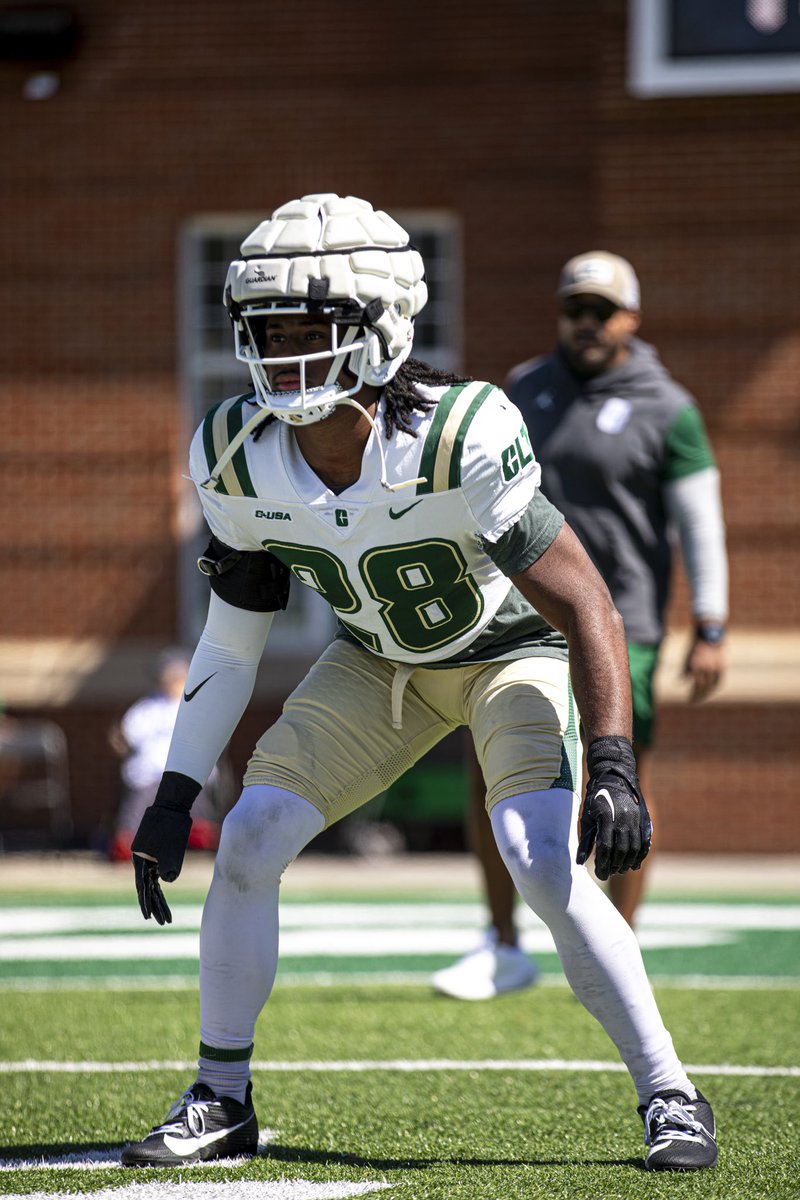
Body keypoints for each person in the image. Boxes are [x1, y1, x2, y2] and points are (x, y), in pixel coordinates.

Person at [121, 198, 718, 1173]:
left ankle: (668, 1093)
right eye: (269, 332)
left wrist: (611, 759)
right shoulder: (235, 451)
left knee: (535, 853)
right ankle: (220, 1096)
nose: (287, 354)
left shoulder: (457, 433)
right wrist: (174, 792)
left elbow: (589, 605)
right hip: (374, 661)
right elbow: (231, 643)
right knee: (249, 836)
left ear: (379, 330)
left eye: (312, 330)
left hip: (504, 653)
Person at [432, 250, 728, 1002]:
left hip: (621, 616)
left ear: (631, 318)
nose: (587, 324)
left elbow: (699, 521)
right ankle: (502, 942)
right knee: (488, 766)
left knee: (618, 776)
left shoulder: (670, 407)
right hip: (513, 611)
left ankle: (613, 949)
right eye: (575, 310)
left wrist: (712, 623)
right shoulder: (524, 389)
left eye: (602, 311)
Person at [107, 648, 225, 862]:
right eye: (170, 677)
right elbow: (125, 736)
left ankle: (197, 835)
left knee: (194, 797)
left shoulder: (201, 705)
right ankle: (130, 841)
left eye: (179, 677)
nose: (174, 682)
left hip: (189, 771)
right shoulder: (147, 708)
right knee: (142, 801)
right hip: (151, 773)